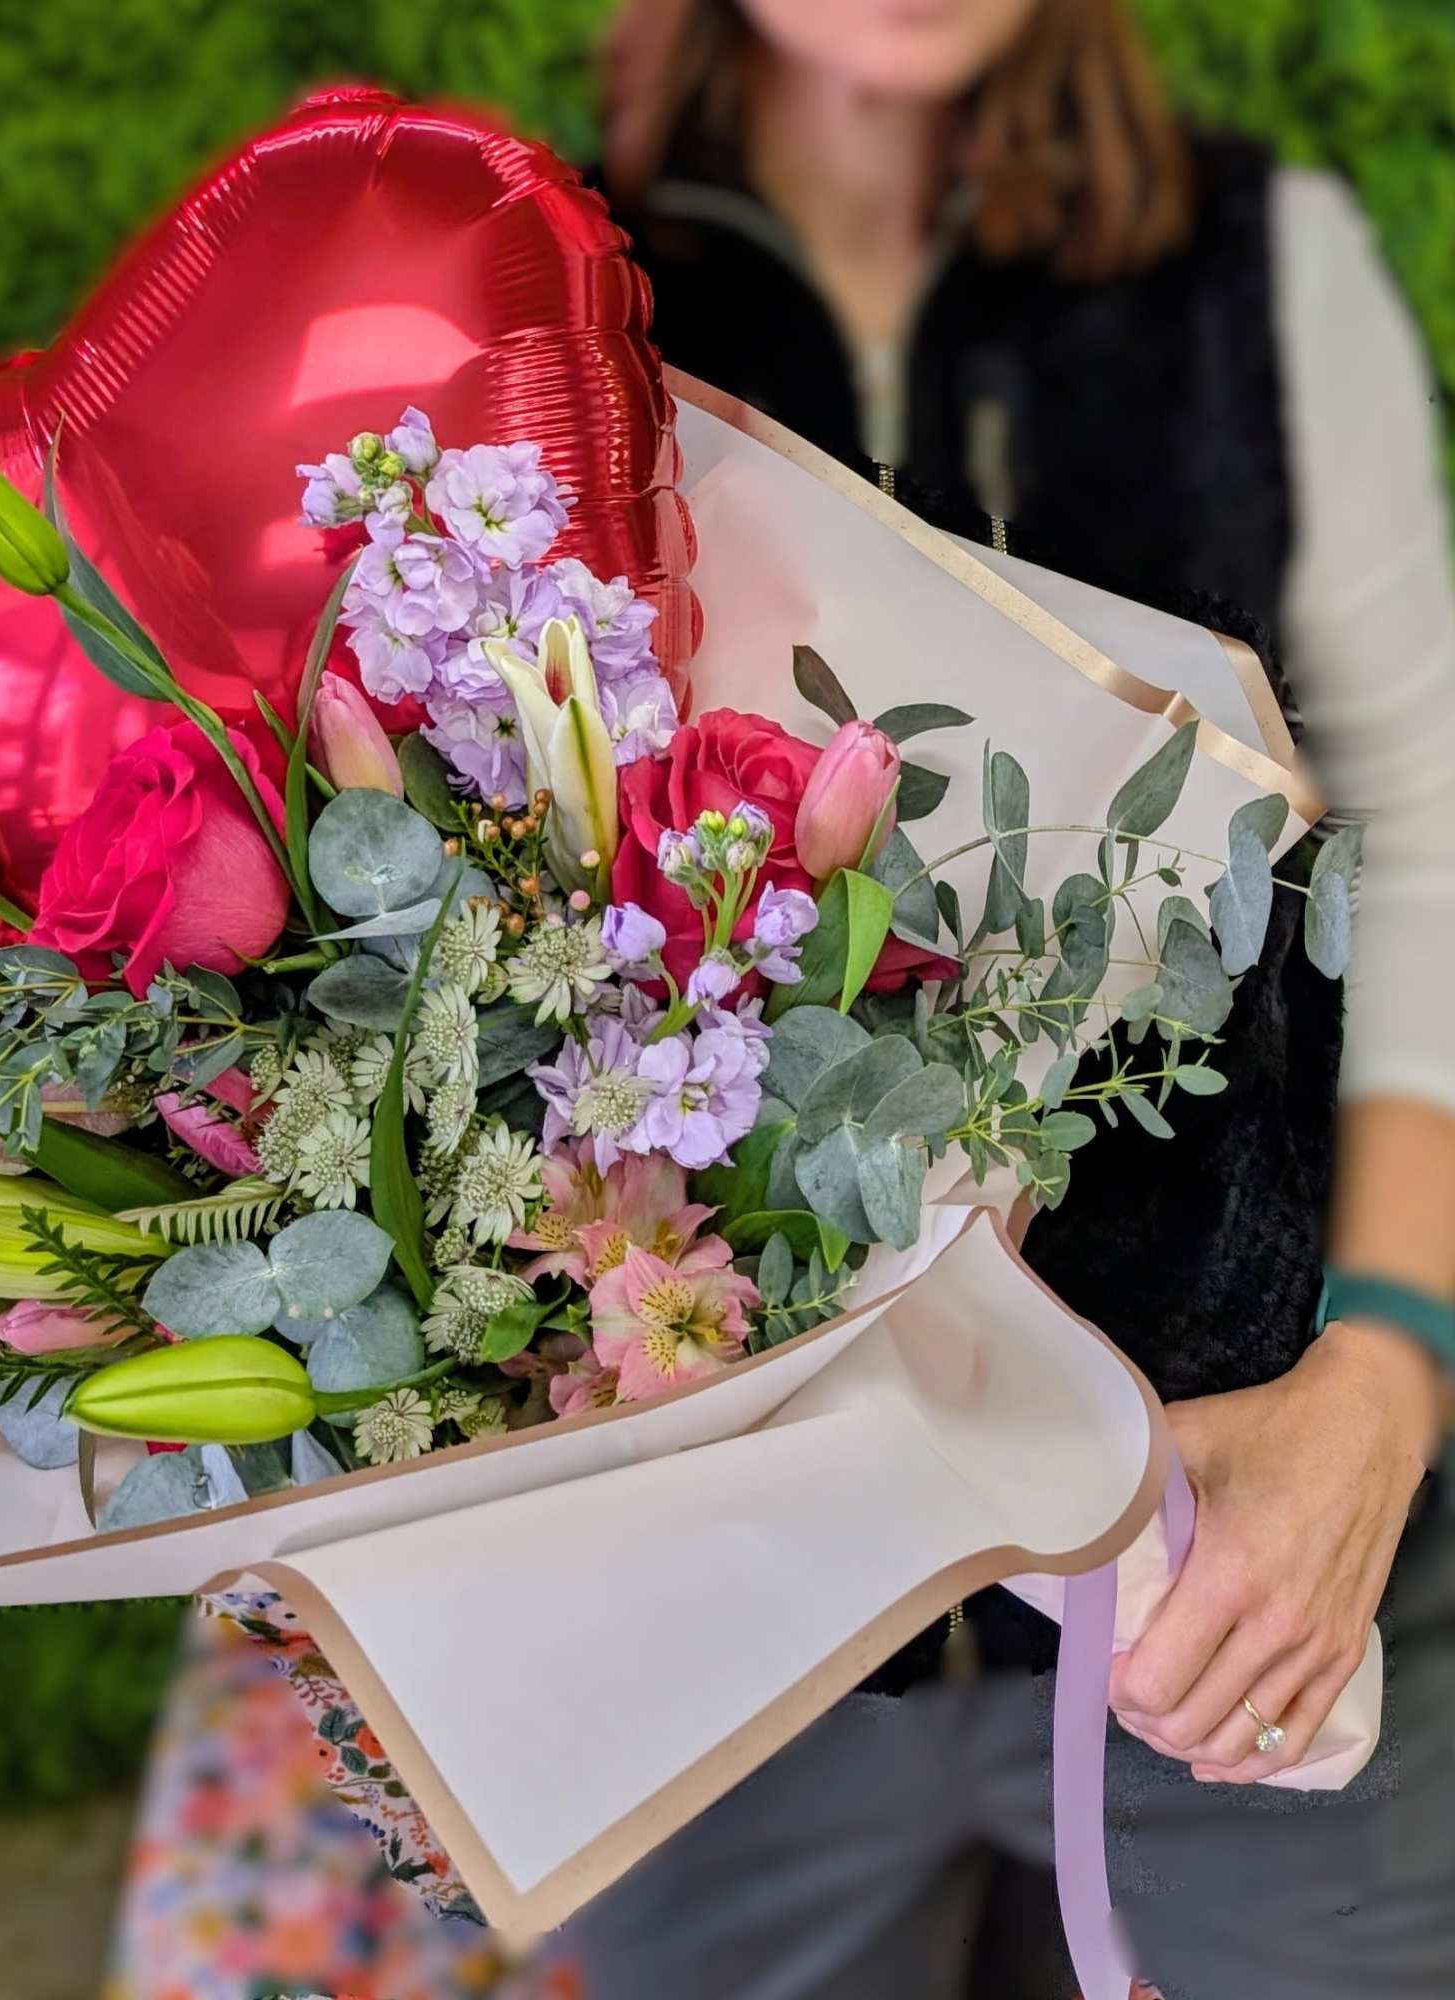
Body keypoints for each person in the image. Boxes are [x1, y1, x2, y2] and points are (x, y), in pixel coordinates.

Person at [554, 2, 1455, 1996]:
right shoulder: (530, 292)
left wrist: (1384, 1376)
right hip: (723, 1602)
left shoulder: (1257, 274)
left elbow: (1432, 859)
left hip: (1247, 1531)